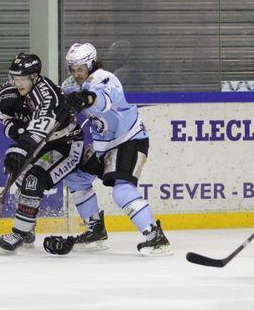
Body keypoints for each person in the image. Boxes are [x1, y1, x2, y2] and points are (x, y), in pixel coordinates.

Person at [42, 42, 171, 256]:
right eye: (73, 69)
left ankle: (155, 236)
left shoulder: (105, 78)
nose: (77, 74)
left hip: (129, 139)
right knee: (75, 176)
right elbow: (59, 105)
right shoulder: (70, 85)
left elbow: (103, 101)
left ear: (91, 65)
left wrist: (85, 99)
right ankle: (95, 230)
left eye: (81, 69)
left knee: (122, 190)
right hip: (103, 146)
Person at [0, 53, 84, 255]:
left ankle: (18, 233)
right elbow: (5, 119)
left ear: (34, 77)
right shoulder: (8, 92)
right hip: (42, 145)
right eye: (14, 77)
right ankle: (27, 229)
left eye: (22, 78)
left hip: (66, 145)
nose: (17, 83)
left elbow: (37, 131)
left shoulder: (46, 96)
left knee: (33, 180)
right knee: (20, 178)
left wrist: (21, 148)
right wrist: (19, 132)